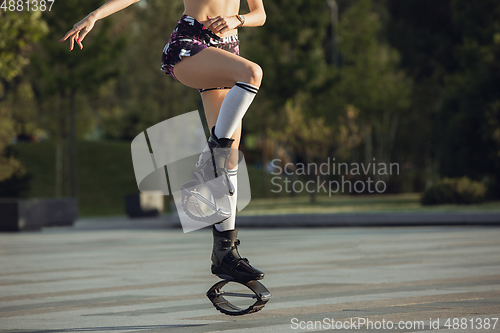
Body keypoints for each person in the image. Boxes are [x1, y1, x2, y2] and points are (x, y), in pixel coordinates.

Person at [60, 0, 266, 282]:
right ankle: (208, 160)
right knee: (253, 74)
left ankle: (225, 252)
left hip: (228, 50)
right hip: (191, 44)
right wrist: (95, 15)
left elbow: (260, 14)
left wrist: (237, 20)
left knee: (230, 159)